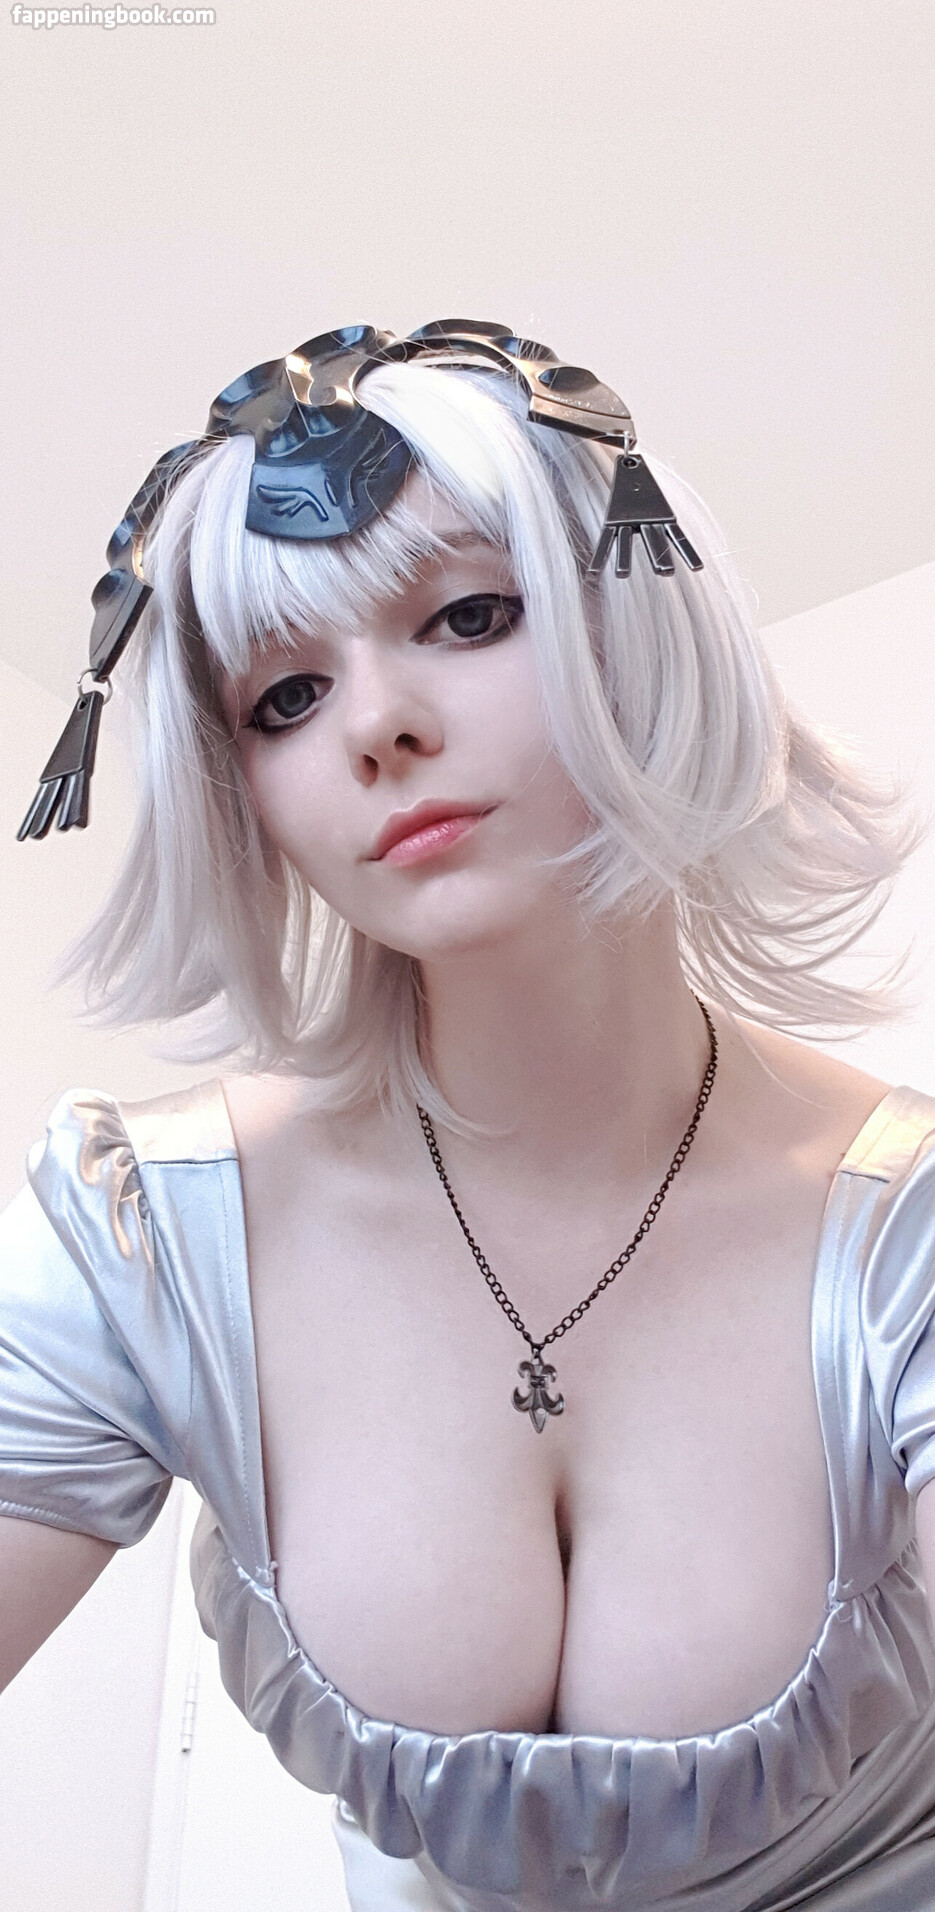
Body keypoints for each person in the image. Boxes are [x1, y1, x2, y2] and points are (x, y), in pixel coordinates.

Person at [2, 320, 935, 1911]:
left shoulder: (900, 1233)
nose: (375, 723)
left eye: (471, 615)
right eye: (285, 697)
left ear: (636, 632)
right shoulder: (144, 1241)